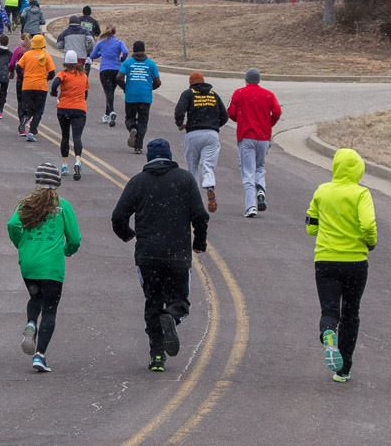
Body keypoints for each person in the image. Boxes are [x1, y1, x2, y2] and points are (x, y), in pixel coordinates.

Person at [111, 139, 209, 372]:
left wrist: (128, 234)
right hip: (177, 254)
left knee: (152, 301)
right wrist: (199, 241)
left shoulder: (138, 182)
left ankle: (157, 355)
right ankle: (172, 316)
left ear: (148, 158)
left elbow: (118, 216)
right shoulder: (185, 179)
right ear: (170, 156)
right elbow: (200, 215)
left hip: (148, 255)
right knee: (180, 300)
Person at [306, 148, 376, 383]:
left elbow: (311, 226)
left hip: (326, 261)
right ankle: (343, 369)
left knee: (330, 311)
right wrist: (370, 242)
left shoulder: (322, 191)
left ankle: (328, 331)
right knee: (350, 313)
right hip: (355, 263)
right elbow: (368, 224)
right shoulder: (361, 194)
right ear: (358, 170)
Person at [7, 162, 81, 373]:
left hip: (29, 263)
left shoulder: (26, 203)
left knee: (35, 297)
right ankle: (39, 355)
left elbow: (12, 225)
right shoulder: (63, 206)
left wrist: (22, 245)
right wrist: (67, 250)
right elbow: (74, 239)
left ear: (37, 181)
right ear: (57, 183)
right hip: (52, 266)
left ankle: (31, 322)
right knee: (49, 310)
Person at [226, 68, 282, 218]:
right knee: (260, 166)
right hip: (264, 137)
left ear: (246, 79)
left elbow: (230, 112)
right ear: (258, 79)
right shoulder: (268, 95)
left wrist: (240, 119)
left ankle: (251, 206)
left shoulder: (239, 93)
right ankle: (261, 188)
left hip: (246, 136)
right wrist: (269, 123)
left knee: (248, 171)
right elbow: (277, 111)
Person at [174, 72, 229, 213]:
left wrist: (180, 124)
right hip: (211, 134)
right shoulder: (213, 95)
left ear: (190, 83)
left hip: (193, 133)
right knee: (207, 164)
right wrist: (214, 125)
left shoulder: (188, 94)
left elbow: (179, 111)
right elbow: (225, 116)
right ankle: (209, 186)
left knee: (192, 166)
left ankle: (194, 198)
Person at [116, 41, 161, 154]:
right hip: (145, 97)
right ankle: (138, 146)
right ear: (144, 50)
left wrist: (125, 88)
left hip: (131, 96)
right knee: (143, 121)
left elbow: (119, 78)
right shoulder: (151, 64)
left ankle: (132, 128)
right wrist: (149, 88)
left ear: (134, 50)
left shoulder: (127, 63)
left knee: (129, 118)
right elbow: (157, 82)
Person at [50, 51, 89, 180]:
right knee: (77, 137)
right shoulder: (83, 76)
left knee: (65, 136)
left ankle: (65, 164)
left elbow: (55, 83)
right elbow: (86, 94)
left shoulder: (63, 74)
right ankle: (77, 161)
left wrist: (54, 92)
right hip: (79, 109)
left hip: (64, 108)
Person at [16, 34, 57, 142]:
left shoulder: (27, 55)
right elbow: (52, 73)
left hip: (27, 85)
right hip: (41, 86)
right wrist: (45, 79)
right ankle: (31, 131)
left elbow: (18, 67)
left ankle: (25, 117)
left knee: (28, 107)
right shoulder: (46, 56)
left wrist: (23, 77)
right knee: (38, 110)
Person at [89, 26, 129, 127]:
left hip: (104, 70)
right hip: (116, 70)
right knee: (110, 92)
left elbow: (92, 55)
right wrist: (122, 59)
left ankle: (111, 111)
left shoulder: (101, 43)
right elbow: (125, 52)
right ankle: (107, 115)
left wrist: (101, 54)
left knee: (108, 92)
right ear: (115, 32)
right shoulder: (119, 42)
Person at [9, 33, 32, 134]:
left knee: (21, 102)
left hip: (21, 79)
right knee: (31, 101)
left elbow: (12, 63)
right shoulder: (33, 51)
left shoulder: (18, 50)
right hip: (31, 79)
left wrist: (11, 72)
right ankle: (30, 117)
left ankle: (22, 125)